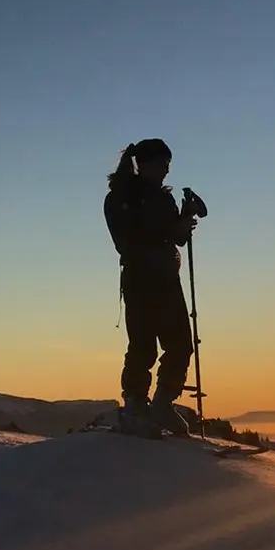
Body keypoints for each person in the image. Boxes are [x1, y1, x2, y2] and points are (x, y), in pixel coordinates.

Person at [103, 138, 198, 438]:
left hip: (164, 278)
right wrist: (174, 227)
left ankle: (160, 404)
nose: (166, 172)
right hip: (143, 279)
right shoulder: (121, 197)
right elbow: (131, 239)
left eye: (168, 167)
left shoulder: (159, 198)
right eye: (162, 165)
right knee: (144, 346)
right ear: (143, 164)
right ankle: (136, 406)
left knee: (180, 343)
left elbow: (174, 237)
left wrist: (182, 222)